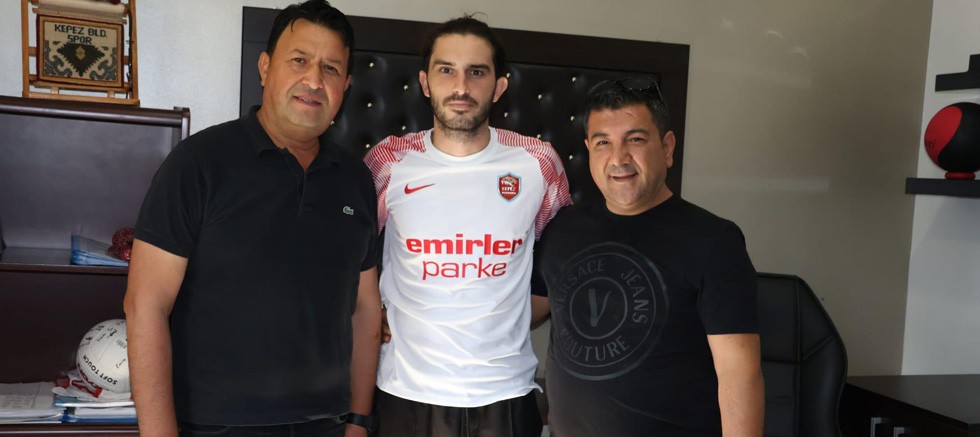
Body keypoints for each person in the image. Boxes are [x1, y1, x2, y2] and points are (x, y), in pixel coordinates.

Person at [123, 2, 382, 436]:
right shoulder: (199, 164)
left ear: (345, 86)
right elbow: (145, 305)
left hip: (327, 423)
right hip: (214, 425)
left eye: (331, 69)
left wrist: (359, 419)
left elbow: (366, 307)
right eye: (298, 60)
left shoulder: (356, 179)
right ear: (265, 67)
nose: (314, 80)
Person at [362, 16, 572, 437]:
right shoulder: (388, 161)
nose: (461, 86)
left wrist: (505, 316)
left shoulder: (538, 162)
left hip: (505, 395)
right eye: (447, 70)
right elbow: (355, 263)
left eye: (476, 72)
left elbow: (561, 266)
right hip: (405, 393)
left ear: (498, 86)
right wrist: (374, 313)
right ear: (425, 83)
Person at [532, 76, 765, 436]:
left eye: (636, 140)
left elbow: (739, 375)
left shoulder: (714, 240)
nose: (618, 158)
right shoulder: (562, 228)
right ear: (588, 150)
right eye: (603, 143)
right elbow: (525, 311)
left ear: (667, 147)